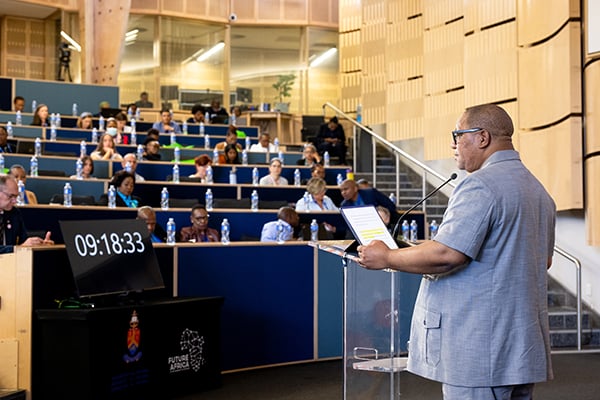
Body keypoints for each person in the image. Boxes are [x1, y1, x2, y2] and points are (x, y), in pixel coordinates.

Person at [356, 104, 556, 400]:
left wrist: (387, 257)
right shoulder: (538, 192)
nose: (453, 143)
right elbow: (541, 260)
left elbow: (448, 255)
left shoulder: (480, 185)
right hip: (520, 347)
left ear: (482, 137)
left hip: (480, 348)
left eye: (458, 134)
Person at [0, 175, 53, 253]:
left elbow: (24, 241)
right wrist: (19, 248)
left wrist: (40, 245)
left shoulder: (14, 213)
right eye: (11, 196)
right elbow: (22, 246)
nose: (14, 201)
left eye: (16, 197)